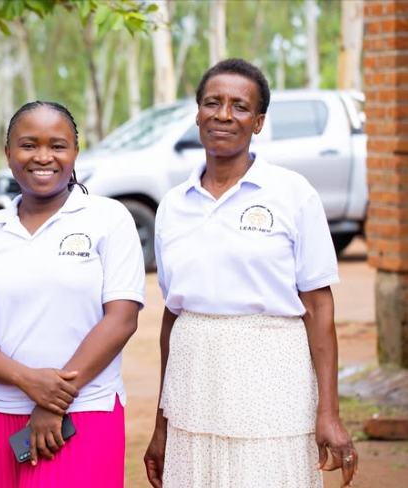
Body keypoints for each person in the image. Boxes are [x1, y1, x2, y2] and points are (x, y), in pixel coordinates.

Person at [143, 58, 358, 488]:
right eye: (212, 103)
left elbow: (319, 308)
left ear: (258, 122)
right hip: (193, 386)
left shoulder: (292, 194)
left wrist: (329, 412)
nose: (223, 115)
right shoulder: (173, 206)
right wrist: (163, 425)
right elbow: (174, 314)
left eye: (240, 106)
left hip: (273, 382)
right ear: (197, 114)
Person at [0, 101, 145, 488]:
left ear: (76, 151)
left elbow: (121, 320)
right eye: (28, 145)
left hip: (84, 413)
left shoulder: (109, 219)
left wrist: (54, 400)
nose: (43, 157)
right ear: (8, 153)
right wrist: (29, 382)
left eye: (57, 145)